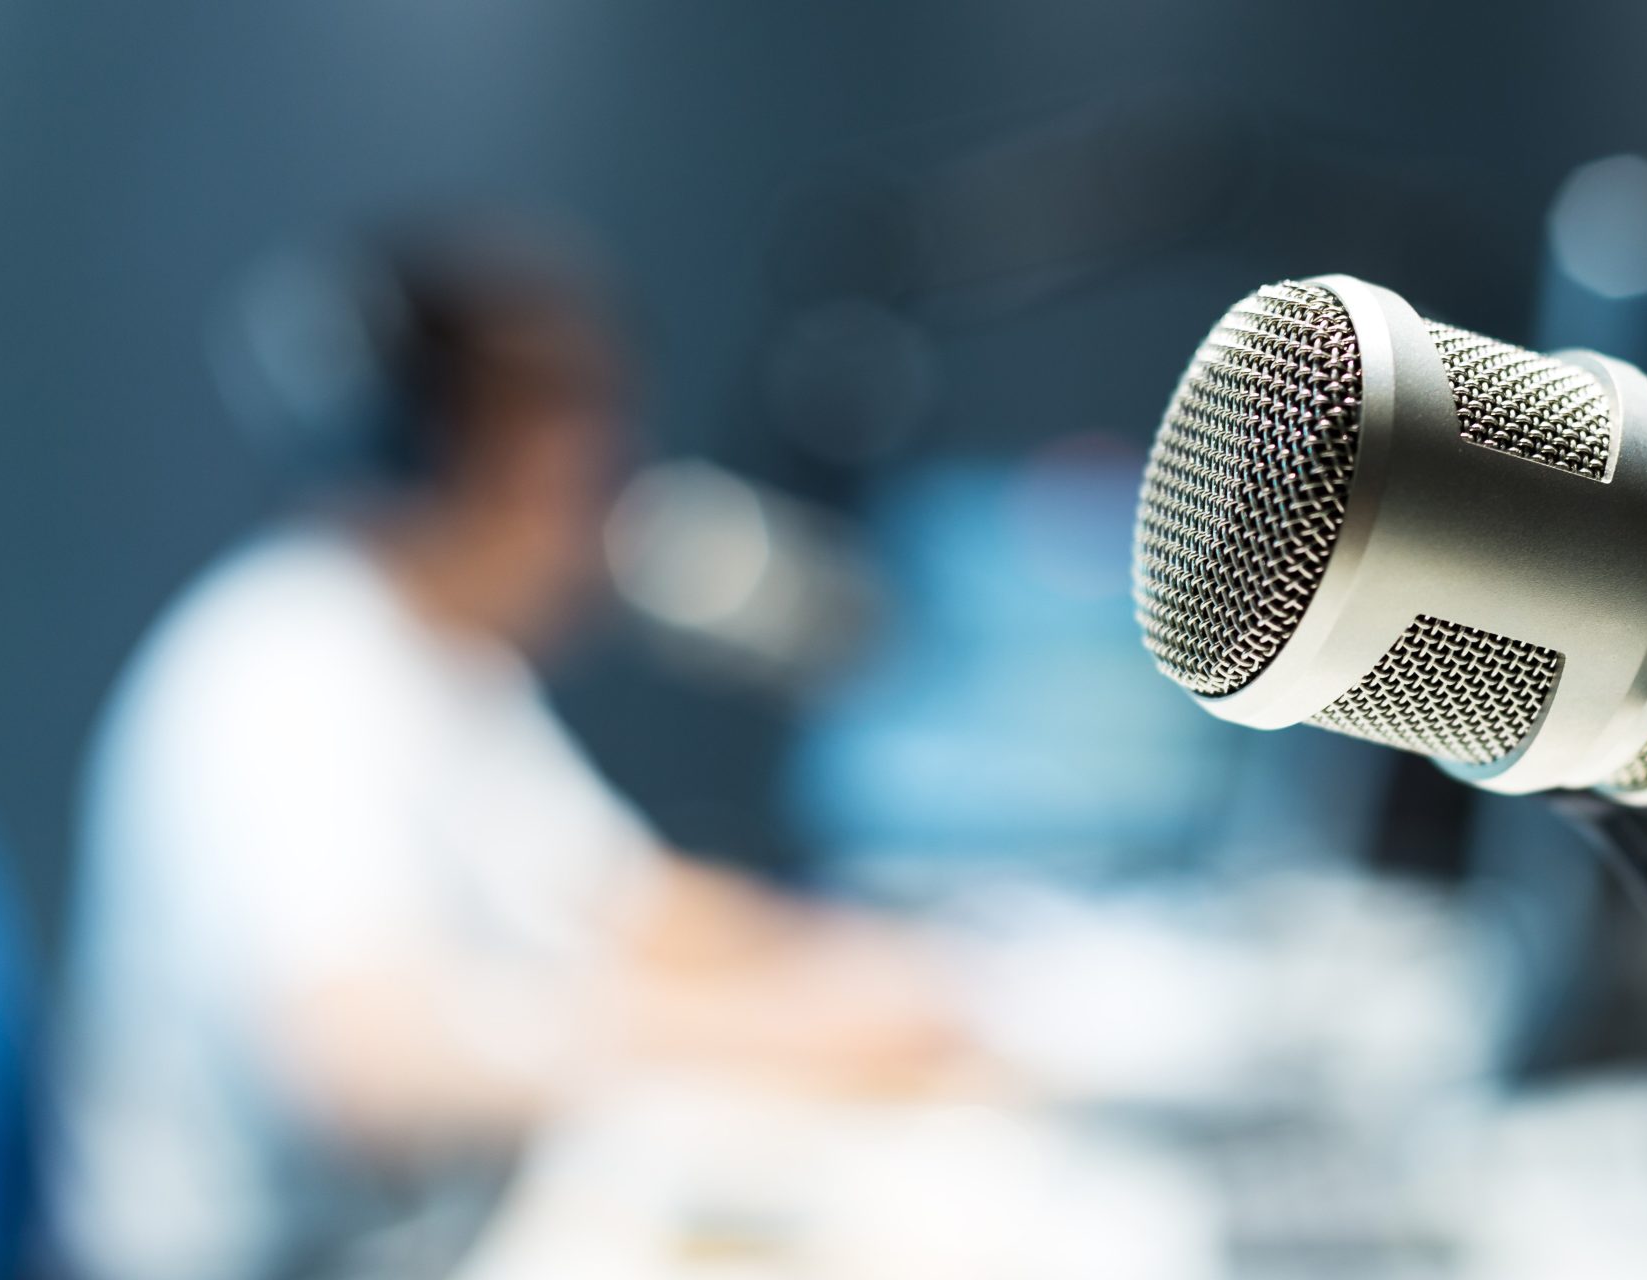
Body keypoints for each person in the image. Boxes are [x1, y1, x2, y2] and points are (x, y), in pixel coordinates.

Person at [52, 227, 968, 1280]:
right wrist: (772, 1033)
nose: (610, 525)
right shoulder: (281, 679)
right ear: (432, 468)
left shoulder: (453, 664)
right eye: (579, 481)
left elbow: (628, 904)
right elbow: (366, 1069)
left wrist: (860, 961)